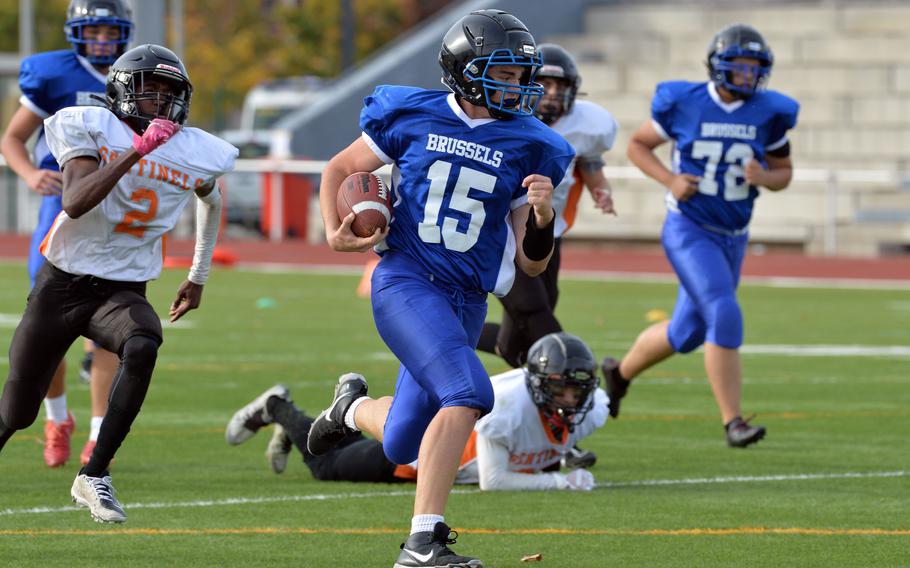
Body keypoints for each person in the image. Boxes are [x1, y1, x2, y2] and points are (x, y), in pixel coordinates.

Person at [306, 10, 574, 568]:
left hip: (467, 300)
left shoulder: (533, 144)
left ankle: (352, 408)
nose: (518, 86)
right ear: (465, 70)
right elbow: (339, 168)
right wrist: (334, 230)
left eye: (521, 74)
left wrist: (544, 214)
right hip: (407, 281)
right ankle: (423, 543)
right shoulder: (410, 112)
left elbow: (530, 261)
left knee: (404, 444)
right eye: (503, 73)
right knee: (469, 393)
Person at [0, 44, 238, 524]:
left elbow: (211, 201)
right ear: (124, 90)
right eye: (151, 87)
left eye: (171, 91)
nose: (162, 99)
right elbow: (75, 202)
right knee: (17, 411)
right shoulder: (86, 124)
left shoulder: (194, 149)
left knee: (145, 341)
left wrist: (198, 276)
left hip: (122, 288)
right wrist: (137, 152)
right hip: (63, 282)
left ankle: (95, 473)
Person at [604, 24, 799, 448]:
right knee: (723, 311)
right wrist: (670, 180)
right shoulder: (684, 102)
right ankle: (733, 422)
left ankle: (618, 375)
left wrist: (765, 176)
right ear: (717, 67)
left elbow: (784, 173)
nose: (748, 76)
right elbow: (637, 145)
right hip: (689, 228)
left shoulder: (770, 111)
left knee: (686, 333)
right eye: (739, 67)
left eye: (754, 68)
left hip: (734, 234)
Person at [0, 0, 133, 468]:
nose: (101, 40)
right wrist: (29, 174)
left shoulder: (134, 73)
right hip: (60, 206)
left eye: (108, 30)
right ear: (77, 32)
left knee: (110, 330)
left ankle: (99, 435)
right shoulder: (53, 74)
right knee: (47, 328)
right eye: (92, 31)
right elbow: (13, 137)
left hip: (116, 210)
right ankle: (57, 419)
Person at [472, 43, 618, 470]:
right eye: (544, 83)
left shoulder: (589, 125)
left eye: (560, 85)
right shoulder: (503, 116)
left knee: (518, 340)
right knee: (541, 324)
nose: (551, 93)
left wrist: (600, 188)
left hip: (546, 236)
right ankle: (560, 428)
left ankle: (452, 332)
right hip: (499, 234)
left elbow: (588, 161)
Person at [226, 333, 608, 492]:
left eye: (578, 389)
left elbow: (538, 447)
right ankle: (276, 406)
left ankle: (313, 420)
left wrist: (561, 459)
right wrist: (563, 482)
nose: (572, 400)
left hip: (432, 449)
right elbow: (494, 480)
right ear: (541, 384)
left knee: (342, 443)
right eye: (562, 388)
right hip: (412, 455)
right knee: (324, 464)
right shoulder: (507, 407)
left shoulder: (593, 412)